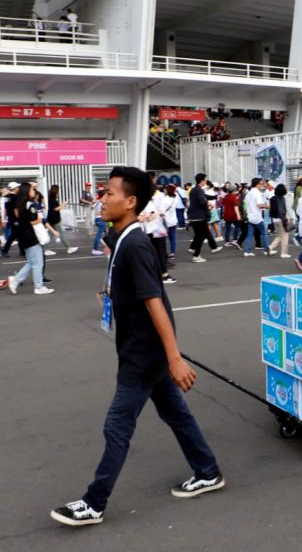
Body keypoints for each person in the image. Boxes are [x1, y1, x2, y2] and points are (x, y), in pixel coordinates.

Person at [51, 166, 222, 527]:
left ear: (130, 202)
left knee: (117, 425)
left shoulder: (136, 244)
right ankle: (207, 470)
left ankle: (94, 502)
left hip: (143, 355)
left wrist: (173, 357)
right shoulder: (123, 239)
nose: (102, 198)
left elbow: (154, 301)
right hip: (142, 348)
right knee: (175, 413)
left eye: (109, 193)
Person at [6, 183, 53, 295]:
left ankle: (15, 280)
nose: (34, 191)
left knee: (31, 262)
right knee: (38, 263)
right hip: (31, 237)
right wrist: (39, 218)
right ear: (27, 191)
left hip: (24, 237)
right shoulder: (30, 205)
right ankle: (38, 286)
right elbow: (33, 221)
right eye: (32, 189)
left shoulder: (21, 204)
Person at [187, 174, 222, 262]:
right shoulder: (198, 190)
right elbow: (202, 201)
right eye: (205, 180)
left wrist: (215, 197)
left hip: (194, 216)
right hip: (199, 216)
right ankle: (196, 255)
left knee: (201, 234)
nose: (206, 181)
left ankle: (196, 249)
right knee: (201, 236)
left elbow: (204, 197)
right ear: (201, 181)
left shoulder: (195, 189)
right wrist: (208, 205)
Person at [242, 178, 270, 257]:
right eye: (261, 183)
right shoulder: (257, 193)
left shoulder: (249, 192)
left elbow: (245, 203)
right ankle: (266, 250)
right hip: (257, 216)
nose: (262, 185)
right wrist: (267, 206)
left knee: (250, 234)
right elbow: (259, 205)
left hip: (250, 216)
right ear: (257, 184)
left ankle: (247, 251)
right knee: (264, 233)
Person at [267, 183, 292, 259]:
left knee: (280, 235)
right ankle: (283, 253)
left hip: (274, 219)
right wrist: (286, 218)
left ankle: (270, 247)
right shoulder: (282, 199)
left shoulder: (272, 198)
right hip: (281, 218)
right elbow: (282, 210)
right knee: (285, 236)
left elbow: (271, 209)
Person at [91, 189, 108, 256]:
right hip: (101, 219)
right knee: (99, 235)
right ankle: (95, 249)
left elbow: (92, 207)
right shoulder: (103, 202)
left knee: (106, 233)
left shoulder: (98, 201)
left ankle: (106, 243)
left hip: (97, 219)